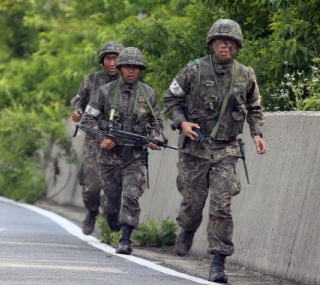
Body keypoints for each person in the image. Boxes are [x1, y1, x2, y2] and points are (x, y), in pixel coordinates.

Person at [162, 19, 267, 283]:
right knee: (193, 204)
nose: (225, 45)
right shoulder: (193, 70)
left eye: (230, 41)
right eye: (220, 41)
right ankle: (187, 228)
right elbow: (170, 99)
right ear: (211, 43)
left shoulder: (246, 75)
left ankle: (218, 261)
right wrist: (182, 122)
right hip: (194, 149)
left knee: (222, 205)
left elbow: (254, 108)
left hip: (226, 150)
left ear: (237, 46)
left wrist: (257, 134)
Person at [81, 47, 163, 255]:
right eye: (127, 66)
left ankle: (126, 238)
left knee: (132, 195)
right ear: (120, 68)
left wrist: (155, 138)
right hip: (109, 159)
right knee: (110, 201)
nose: (131, 71)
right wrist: (102, 137)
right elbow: (87, 120)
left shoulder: (149, 94)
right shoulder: (105, 92)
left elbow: (156, 123)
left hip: (134, 158)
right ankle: (112, 219)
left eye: (135, 67)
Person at [70, 41, 124, 235]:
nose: (112, 62)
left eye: (116, 58)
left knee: (114, 187)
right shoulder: (93, 80)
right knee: (91, 185)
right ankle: (92, 211)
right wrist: (77, 110)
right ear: (102, 61)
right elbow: (78, 98)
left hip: (118, 141)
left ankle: (112, 213)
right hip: (94, 138)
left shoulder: (129, 81)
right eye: (108, 58)